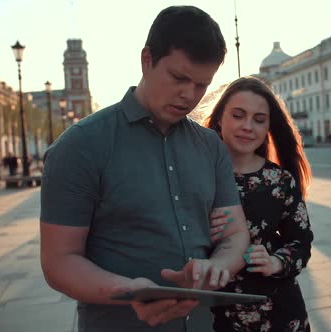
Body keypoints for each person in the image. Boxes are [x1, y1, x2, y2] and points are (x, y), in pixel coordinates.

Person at [39, 6, 250, 332]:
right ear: (147, 59)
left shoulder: (211, 146)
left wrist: (219, 266)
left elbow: (235, 234)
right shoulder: (79, 145)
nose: (189, 95)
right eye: (179, 78)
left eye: (202, 84)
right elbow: (59, 261)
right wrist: (128, 291)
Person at [204, 76, 314, 332]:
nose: (248, 126)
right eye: (238, 115)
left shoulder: (280, 180)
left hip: (279, 314)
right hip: (216, 314)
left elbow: (301, 242)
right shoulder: (197, 175)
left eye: (259, 120)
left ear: (267, 128)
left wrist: (276, 262)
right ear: (220, 118)